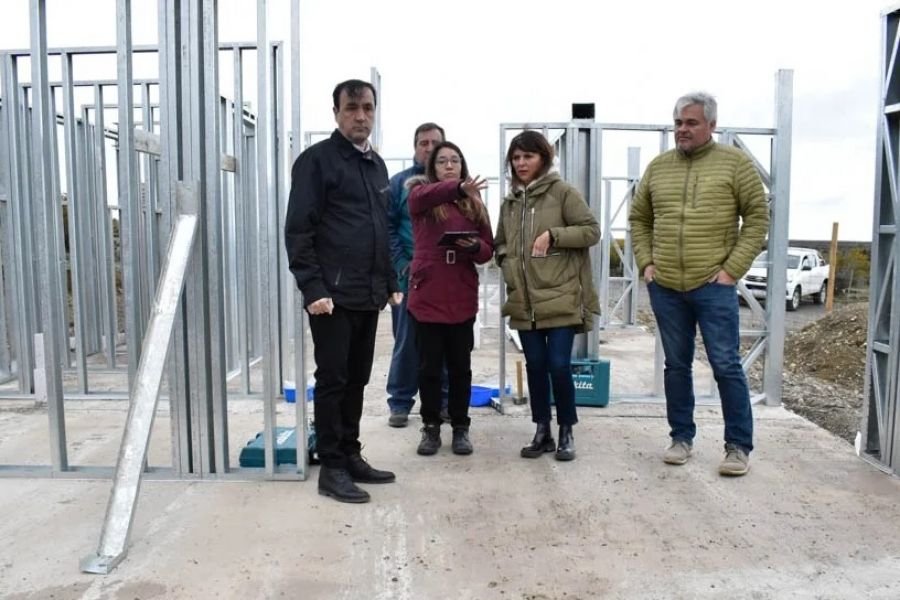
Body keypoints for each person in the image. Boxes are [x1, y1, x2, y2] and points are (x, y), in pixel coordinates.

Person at [628, 91, 769, 477]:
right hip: (667, 285)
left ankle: (738, 446)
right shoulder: (659, 168)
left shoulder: (736, 165)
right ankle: (681, 438)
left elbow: (757, 219)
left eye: (691, 122)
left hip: (713, 285)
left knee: (725, 365)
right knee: (676, 366)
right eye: (678, 123)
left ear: (711, 125)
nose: (682, 130)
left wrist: (731, 271)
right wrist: (647, 263)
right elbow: (639, 219)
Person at [284, 79, 401, 503]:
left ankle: (351, 454)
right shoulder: (317, 162)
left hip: (368, 293)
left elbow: (380, 229)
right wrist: (312, 287)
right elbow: (299, 230)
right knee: (332, 380)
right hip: (330, 297)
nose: (360, 116)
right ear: (336, 113)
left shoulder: (377, 166)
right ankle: (331, 466)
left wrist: (389, 282)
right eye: (351, 108)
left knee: (357, 379)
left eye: (367, 108)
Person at [495, 131, 600, 462]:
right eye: (516, 157)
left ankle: (566, 429)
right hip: (524, 300)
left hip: (561, 295)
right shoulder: (510, 203)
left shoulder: (563, 192)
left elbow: (591, 231)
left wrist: (554, 235)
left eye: (528, 156)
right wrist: (507, 263)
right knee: (536, 366)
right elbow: (501, 243)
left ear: (544, 158)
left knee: (558, 365)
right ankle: (542, 430)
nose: (521, 163)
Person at [406, 141, 494, 456]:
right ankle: (430, 428)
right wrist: (456, 188)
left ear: (463, 165)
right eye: (442, 161)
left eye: (455, 160)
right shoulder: (421, 195)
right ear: (432, 168)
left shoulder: (475, 203)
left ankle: (460, 427)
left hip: (461, 295)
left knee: (460, 368)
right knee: (429, 369)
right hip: (427, 296)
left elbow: (488, 249)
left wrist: (472, 247)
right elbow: (423, 197)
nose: (449, 165)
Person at [386, 122, 450, 428]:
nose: (427, 147)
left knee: (446, 342)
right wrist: (401, 263)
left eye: (433, 143)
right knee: (406, 342)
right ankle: (400, 402)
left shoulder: (453, 184)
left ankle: (446, 401)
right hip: (408, 277)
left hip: (446, 279)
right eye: (422, 142)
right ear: (415, 148)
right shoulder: (399, 184)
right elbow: (387, 228)